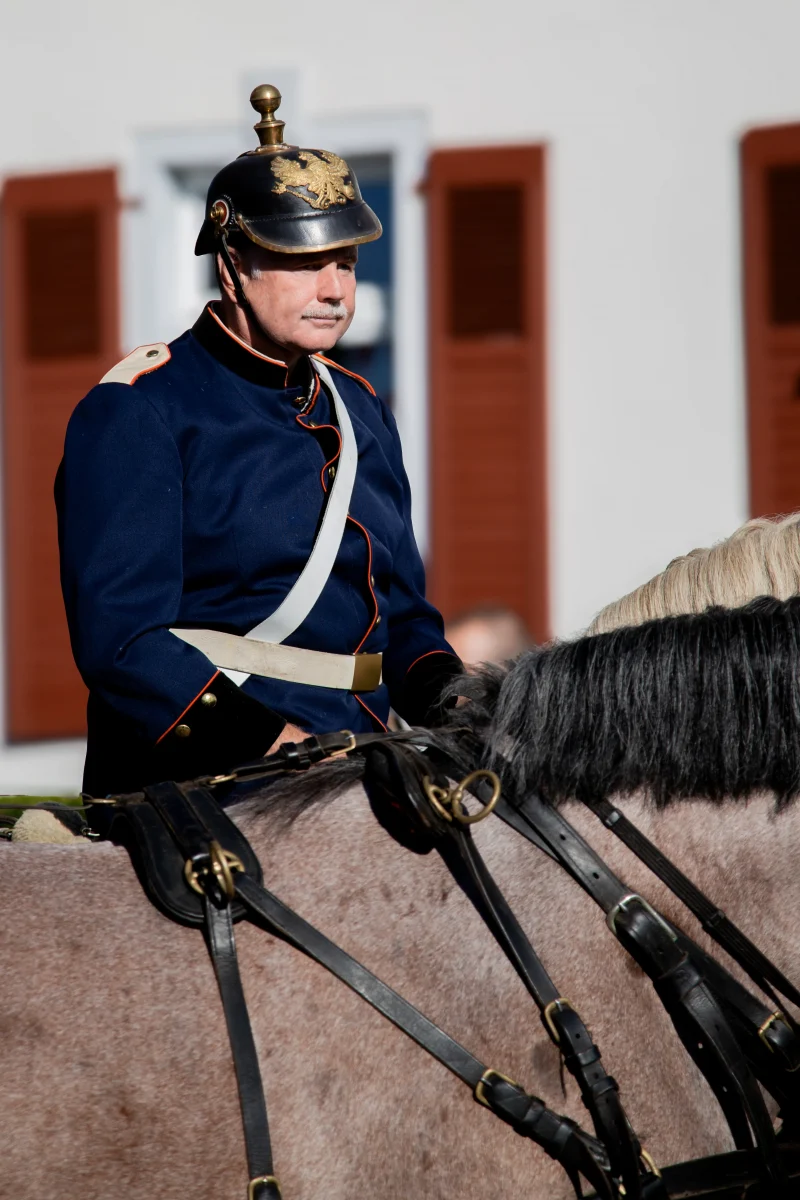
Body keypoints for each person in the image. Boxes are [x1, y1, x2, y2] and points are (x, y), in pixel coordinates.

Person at [56, 85, 461, 797]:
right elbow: (124, 644)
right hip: (210, 783)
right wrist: (273, 748)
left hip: (366, 769)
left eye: (346, 262)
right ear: (233, 266)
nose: (335, 290)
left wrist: (463, 705)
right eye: (305, 263)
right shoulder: (140, 409)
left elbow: (404, 620)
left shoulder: (360, 406)